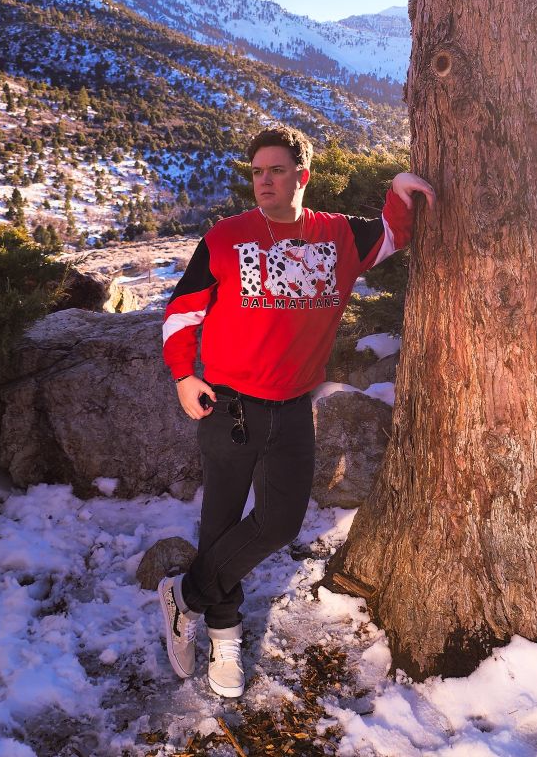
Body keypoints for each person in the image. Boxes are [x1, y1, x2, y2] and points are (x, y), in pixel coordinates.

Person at [159, 126, 435, 698]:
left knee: (280, 522)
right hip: (227, 405)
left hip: (291, 408)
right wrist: (185, 375)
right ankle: (224, 633)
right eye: (257, 171)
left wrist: (400, 188)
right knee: (221, 519)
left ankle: (184, 596)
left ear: (301, 176)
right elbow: (183, 310)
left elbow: (388, 235)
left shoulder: (336, 236)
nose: (264, 181)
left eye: (276, 170)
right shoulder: (226, 237)